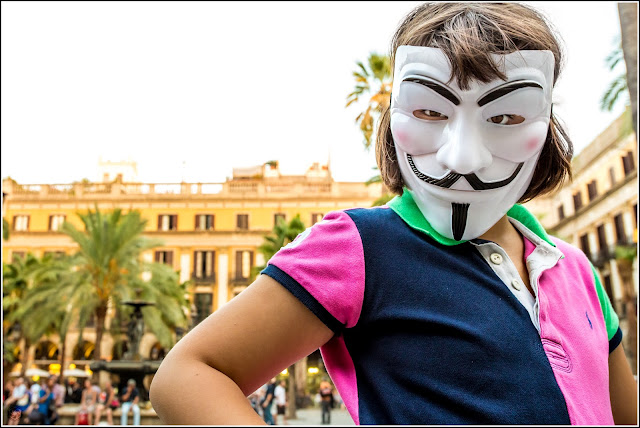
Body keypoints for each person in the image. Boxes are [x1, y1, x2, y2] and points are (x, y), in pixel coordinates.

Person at [148, 2, 638, 425]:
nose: (463, 157)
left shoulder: (575, 270)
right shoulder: (359, 246)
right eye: (429, 111)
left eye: (506, 116)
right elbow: (188, 374)